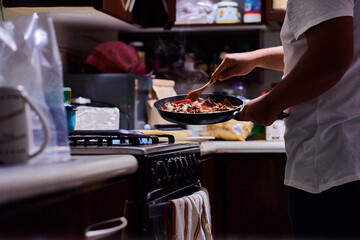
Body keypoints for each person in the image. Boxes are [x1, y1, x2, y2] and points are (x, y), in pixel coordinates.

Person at [211, 0, 360, 239]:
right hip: (346, 161)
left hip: (331, 163)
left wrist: (269, 104)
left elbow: (330, 57)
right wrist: (255, 58)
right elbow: (316, 46)